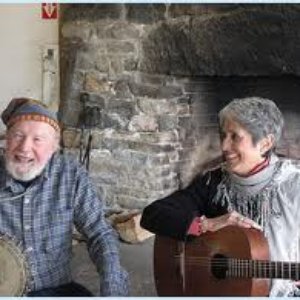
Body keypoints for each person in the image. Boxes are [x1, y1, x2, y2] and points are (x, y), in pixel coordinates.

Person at [141, 96, 300, 297]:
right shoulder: (213, 183)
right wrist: (205, 225)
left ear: (265, 143)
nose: (224, 146)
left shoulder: (294, 186)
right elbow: (153, 214)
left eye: (235, 137)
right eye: (223, 135)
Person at [0, 97, 128, 296]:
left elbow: (99, 233)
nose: (25, 148)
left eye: (37, 140)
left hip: (57, 290)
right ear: (6, 139)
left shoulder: (70, 175)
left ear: (53, 148)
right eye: (18, 135)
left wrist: (113, 284)